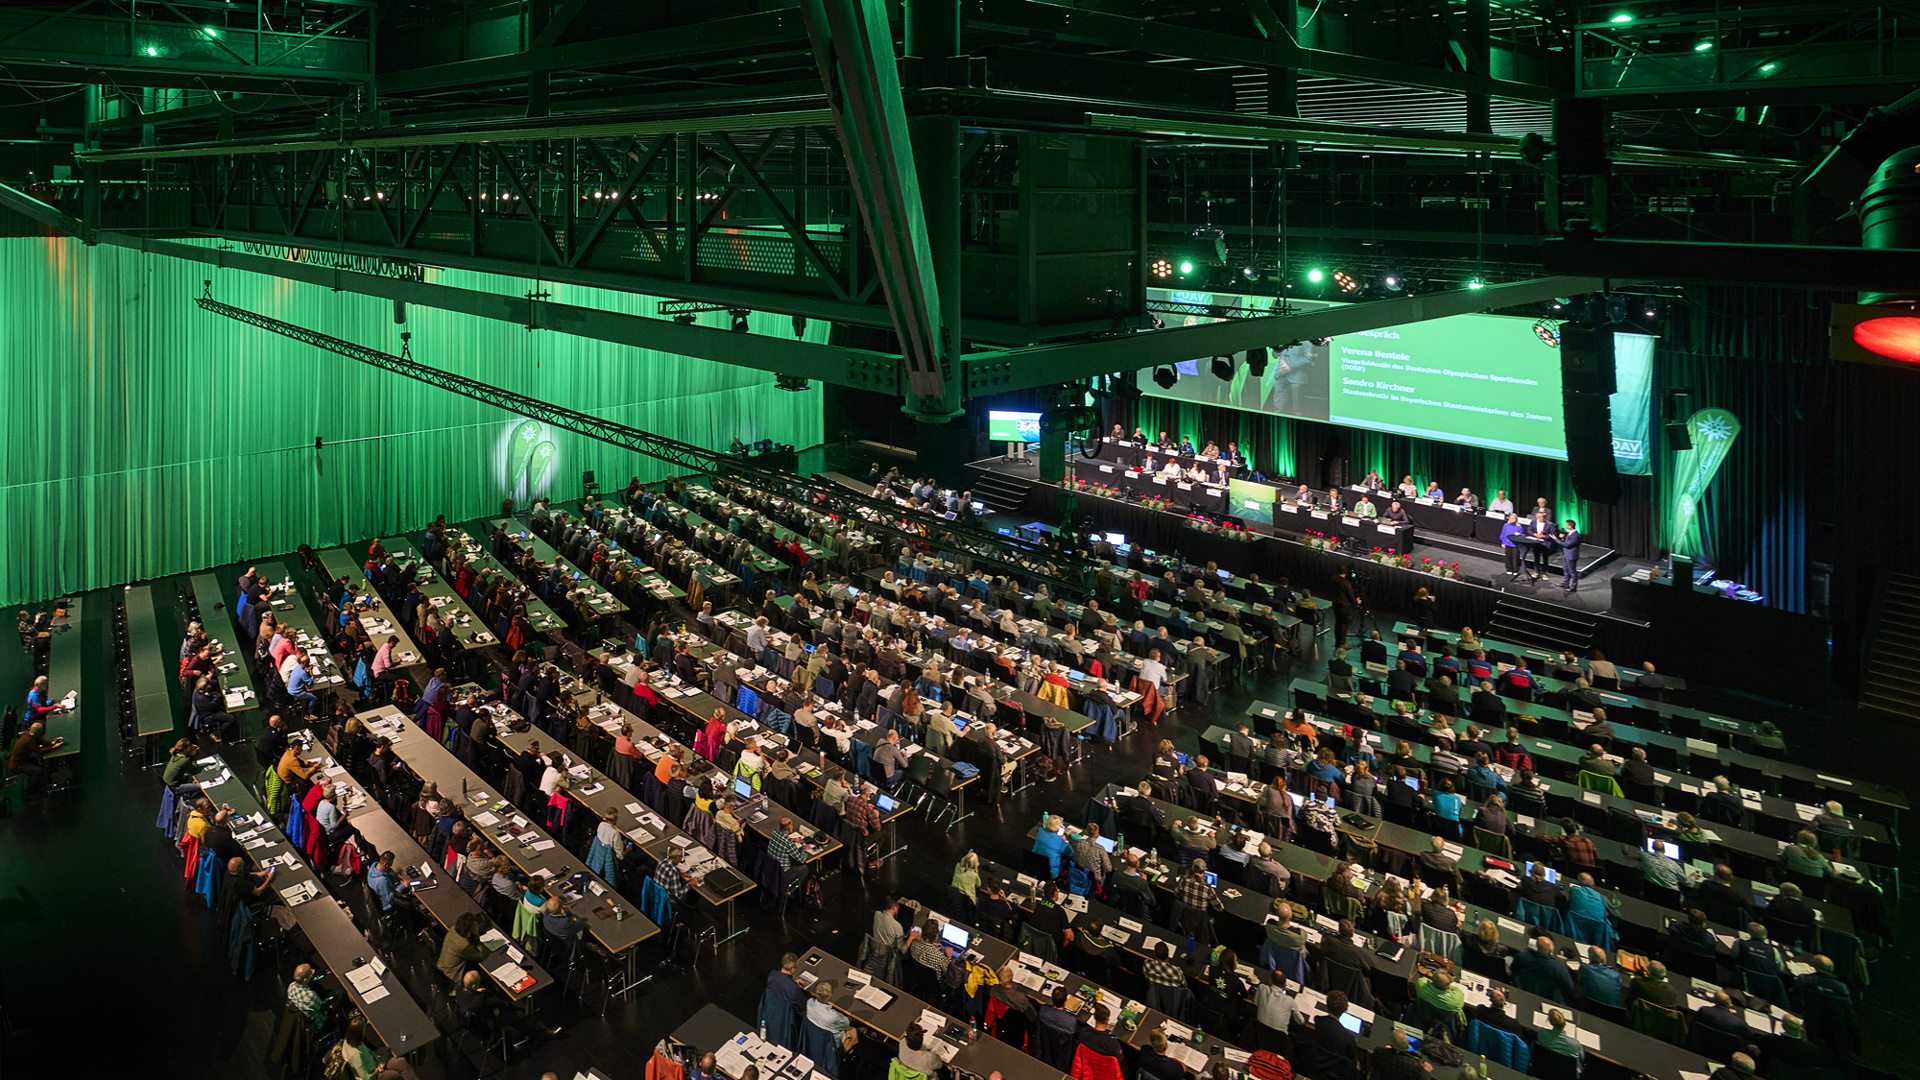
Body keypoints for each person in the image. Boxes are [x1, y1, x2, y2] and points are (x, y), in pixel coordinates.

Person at [1511, 935, 1577, 1004]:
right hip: (1549, 1001)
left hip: (1522, 994)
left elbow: (1514, 971)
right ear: (1551, 951)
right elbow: (1570, 989)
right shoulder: (1560, 970)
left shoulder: (1522, 956)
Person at [1558, 519, 1583, 592]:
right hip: (1566, 554)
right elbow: (1567, 542)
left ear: (1570, 526)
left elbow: (1567, 545)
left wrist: (1556, 539)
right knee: (1565, 570)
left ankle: (1573, 586)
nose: (1565, 526)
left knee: (1572, 572)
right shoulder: (1570, 533)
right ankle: (1566, 583)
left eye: (1566, 525)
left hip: (1571, 556)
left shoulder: (1575, 535)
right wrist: (1563, 538)